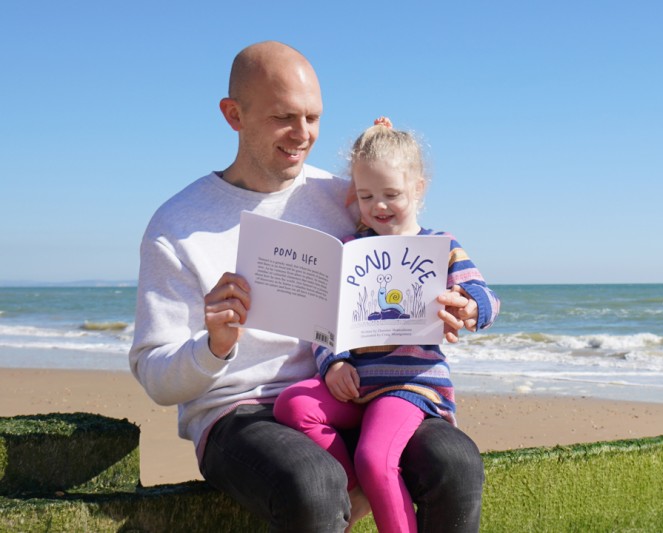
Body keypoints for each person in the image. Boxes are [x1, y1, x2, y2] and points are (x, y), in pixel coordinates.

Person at [129, 41, 485, 532]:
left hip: (356, 391)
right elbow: (154, 376)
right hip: (239, 411)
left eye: (313, 118)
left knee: (456, 461)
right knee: (314, 484)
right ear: (233, 114)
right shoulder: (177, 224)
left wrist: (454, 304)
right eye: (284, 117)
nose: (303, 135)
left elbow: (409, 242)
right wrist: (214, 346)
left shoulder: (344, 197)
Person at [274, 117, 501, 533]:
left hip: (408, 385)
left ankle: (379, 496)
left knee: (375, 456)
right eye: (366, 195)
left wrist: (469, 308)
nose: (378, 205)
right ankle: (357, 490)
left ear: (418, 188)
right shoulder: (349, 249)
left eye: (391, 194)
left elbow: (486, 297)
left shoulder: (441, 246)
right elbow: (324, 321)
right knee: (293, 404)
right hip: (358, 383)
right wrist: (335, 364)